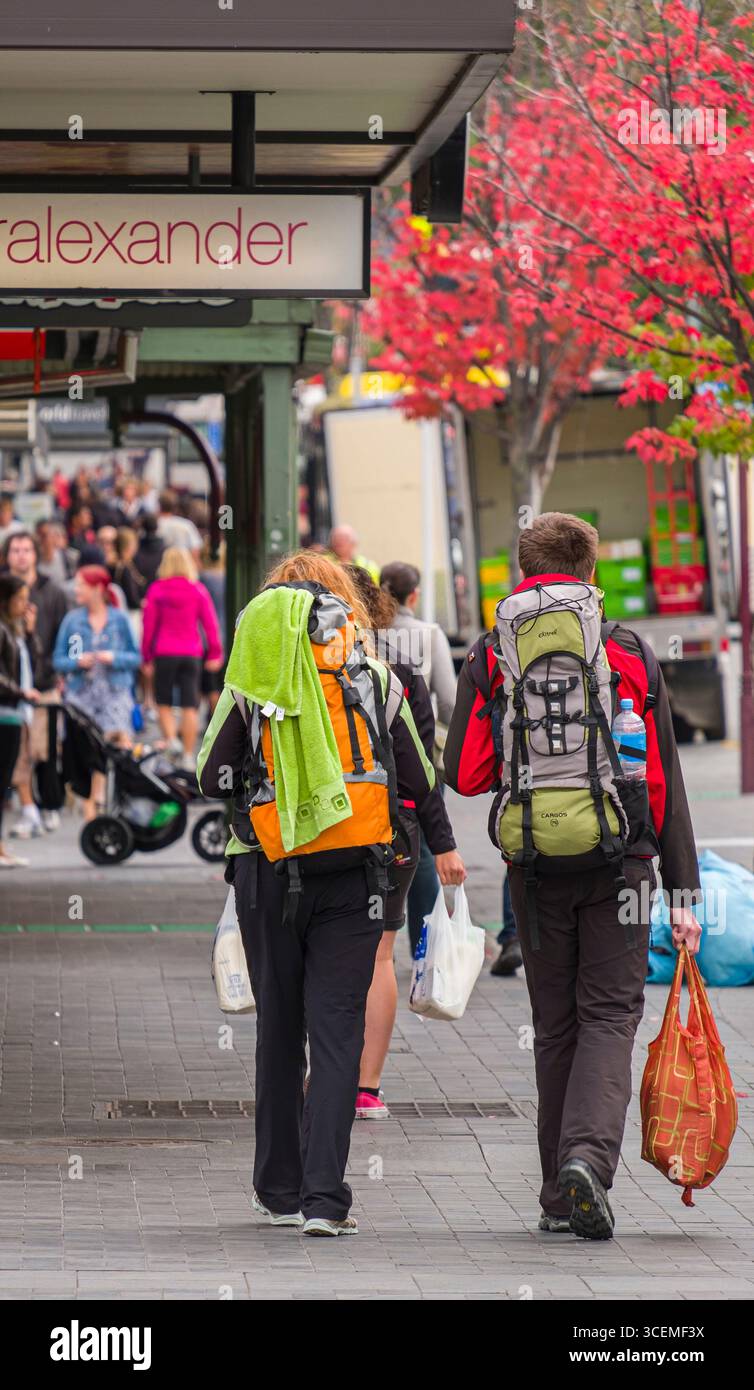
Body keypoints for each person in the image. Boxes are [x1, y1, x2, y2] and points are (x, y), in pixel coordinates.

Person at [444, 511, 702, 1241]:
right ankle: (588, 1159)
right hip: (623, 863)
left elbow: (464, 774)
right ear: (589, 571)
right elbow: (664, 782)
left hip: (531, 865)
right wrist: (685, 893)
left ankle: (559, 1195)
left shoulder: (492, 652)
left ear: (520, 571)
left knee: (554, 1026)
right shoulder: (624, 649)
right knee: (611, 1016)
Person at [197, 552, 465, 1237]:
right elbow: (418, 773)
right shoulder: (373, 676)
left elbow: (210, 773)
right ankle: (325, 1200)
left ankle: (278, 1189)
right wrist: (439, 845)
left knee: (280, 1029)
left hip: (266, 870)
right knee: (337, 1029)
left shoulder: (251, 681)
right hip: (357, 874)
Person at [344, 565, 464, 1119]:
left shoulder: (292, 676)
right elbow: (422, 771)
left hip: (314, 835)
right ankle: (365, 1088)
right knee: (379, 954)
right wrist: (444, 844)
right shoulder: (398, 676)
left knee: (318, 952)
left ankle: (319, 1074)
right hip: (392, 833)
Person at [380, 560, 458, 956]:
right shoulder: (428, 635)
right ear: (414, 595)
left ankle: (381, 938)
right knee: (425, 846)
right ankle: (425, 944)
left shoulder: (366, 635)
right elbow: (448, 700)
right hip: (421, 754)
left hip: (373, 763)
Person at [53, 566, 141, 821]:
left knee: (115, 747)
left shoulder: (119, 619)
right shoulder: (72, 621)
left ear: (97, 589)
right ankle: (92, 804)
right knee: (85, 751)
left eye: (81, 585)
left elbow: (136, 657)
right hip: (81, 696)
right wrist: (76, 662)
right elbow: (59, 659)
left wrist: (113, 657)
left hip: (114, 694)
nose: (76, 590)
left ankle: (104, 802)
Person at [2, 530, 69, 836]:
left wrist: (60, 669)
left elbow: (62, 632)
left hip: (43, 683)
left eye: (26, 550)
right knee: (19, 755)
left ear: (35, 554)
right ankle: (29, 808)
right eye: (15, 550)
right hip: (15, 690)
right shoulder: (5, 590)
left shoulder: (51, 590)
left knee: (45, 750)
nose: (21, 556)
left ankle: (48, 805)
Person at [141, 547, 223, 767]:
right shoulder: (197, 590)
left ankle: (170, 740)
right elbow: (210, 624)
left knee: (163, 701)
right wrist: (214, 652)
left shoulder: (156, 590)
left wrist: (146, 656)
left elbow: (148, 626)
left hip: (165, 652)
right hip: (191, 652)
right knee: (190, 704)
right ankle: (188, 754)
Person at [0, 575, 41, 868]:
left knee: (4, 784)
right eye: (19, 599)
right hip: (5, 712)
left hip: (14, 713)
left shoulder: (13, 629)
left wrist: (29, 632)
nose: (24, 604)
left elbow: (33, 663)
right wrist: (20, 692)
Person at [199, 540, 226, 716]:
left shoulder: (201, 579)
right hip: (224, 634)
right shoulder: (227, 577)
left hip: (203, 636)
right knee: (217, 684)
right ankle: (216, 720)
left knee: (207, 684)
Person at [156, 489, 202, 555]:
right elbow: (195, 550)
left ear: (159, 506)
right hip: (184, 563)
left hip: (163, 564)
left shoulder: (155, 525)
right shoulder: (186, 524)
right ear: (175, 507)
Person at [36, 520, 76, 586]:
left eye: (44, 535)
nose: (41, 539)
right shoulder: (34, 560)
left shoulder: (70, 557)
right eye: (38, 535)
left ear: (53, 537)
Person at [133, 513, 165, 590]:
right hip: (159, 589)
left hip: (143, 588)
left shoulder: (136, 549)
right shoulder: (164, 549)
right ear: (157, 527)